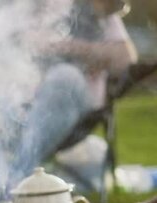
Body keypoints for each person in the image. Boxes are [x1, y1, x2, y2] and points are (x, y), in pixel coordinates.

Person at [12, 0, 137, 178]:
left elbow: (126, 57)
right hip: (25, 104)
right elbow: (22, 45)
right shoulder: (42, 8)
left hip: (77, 106)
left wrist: (74, 48)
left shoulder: (101, 14)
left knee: (65, 76)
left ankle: (15, 179)